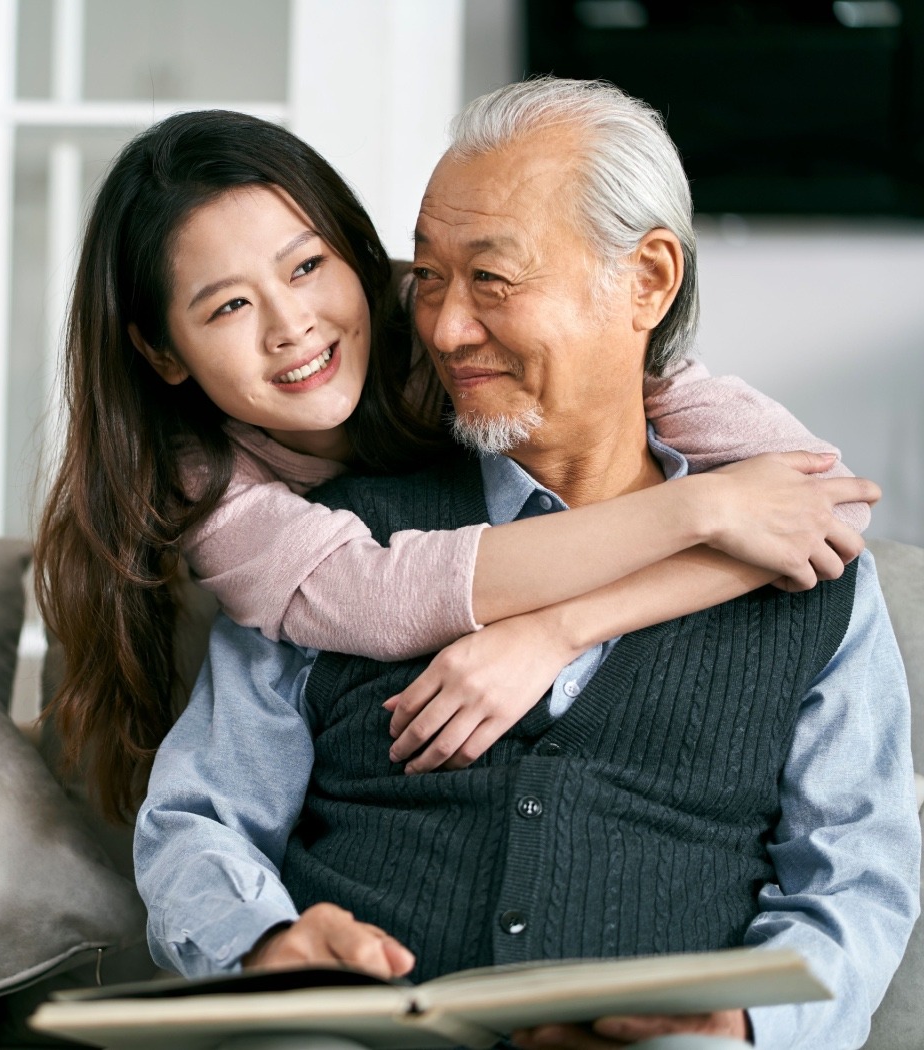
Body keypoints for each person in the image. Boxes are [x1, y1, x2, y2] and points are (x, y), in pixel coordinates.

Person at [135, 79, 919, 1050]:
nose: (444, 327)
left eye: (492, 281)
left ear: (646, 282)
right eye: (425, 277)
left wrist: (746, 1022)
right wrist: (262, 947)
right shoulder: (335, 545)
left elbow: (857, 873)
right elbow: (197, 820)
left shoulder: (808, 569)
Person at [33, 108, 875, 825]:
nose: (290, 326)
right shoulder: (204, 484)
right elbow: (384, 596)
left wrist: (558, 631)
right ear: (162, 351)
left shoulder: (444, 326)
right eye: (228, 305)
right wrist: (699, 509)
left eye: (307, 266)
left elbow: (821, 505)